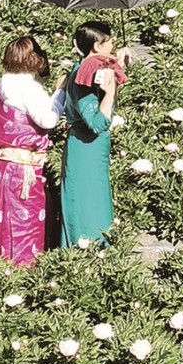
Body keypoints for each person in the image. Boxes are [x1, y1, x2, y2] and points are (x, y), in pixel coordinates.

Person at [0, 36, 66, 265]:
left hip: (0, 162)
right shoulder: (30, 89)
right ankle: (21, 267)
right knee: (22, 223)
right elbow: (47, 120)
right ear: (35, 59)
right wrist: (60, 93)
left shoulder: (2, 84)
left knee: (0, 217)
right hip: (22, 168)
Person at [60, 20, 124, 247]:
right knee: (89, 207)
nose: (112, 46)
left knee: (96, 202)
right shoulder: (84, 76)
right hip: (86, 149)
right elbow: (97, 123)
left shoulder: (88, 68)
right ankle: (86, 254)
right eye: (109, 42)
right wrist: (110, 93)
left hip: (91, 149)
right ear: (97, 46)